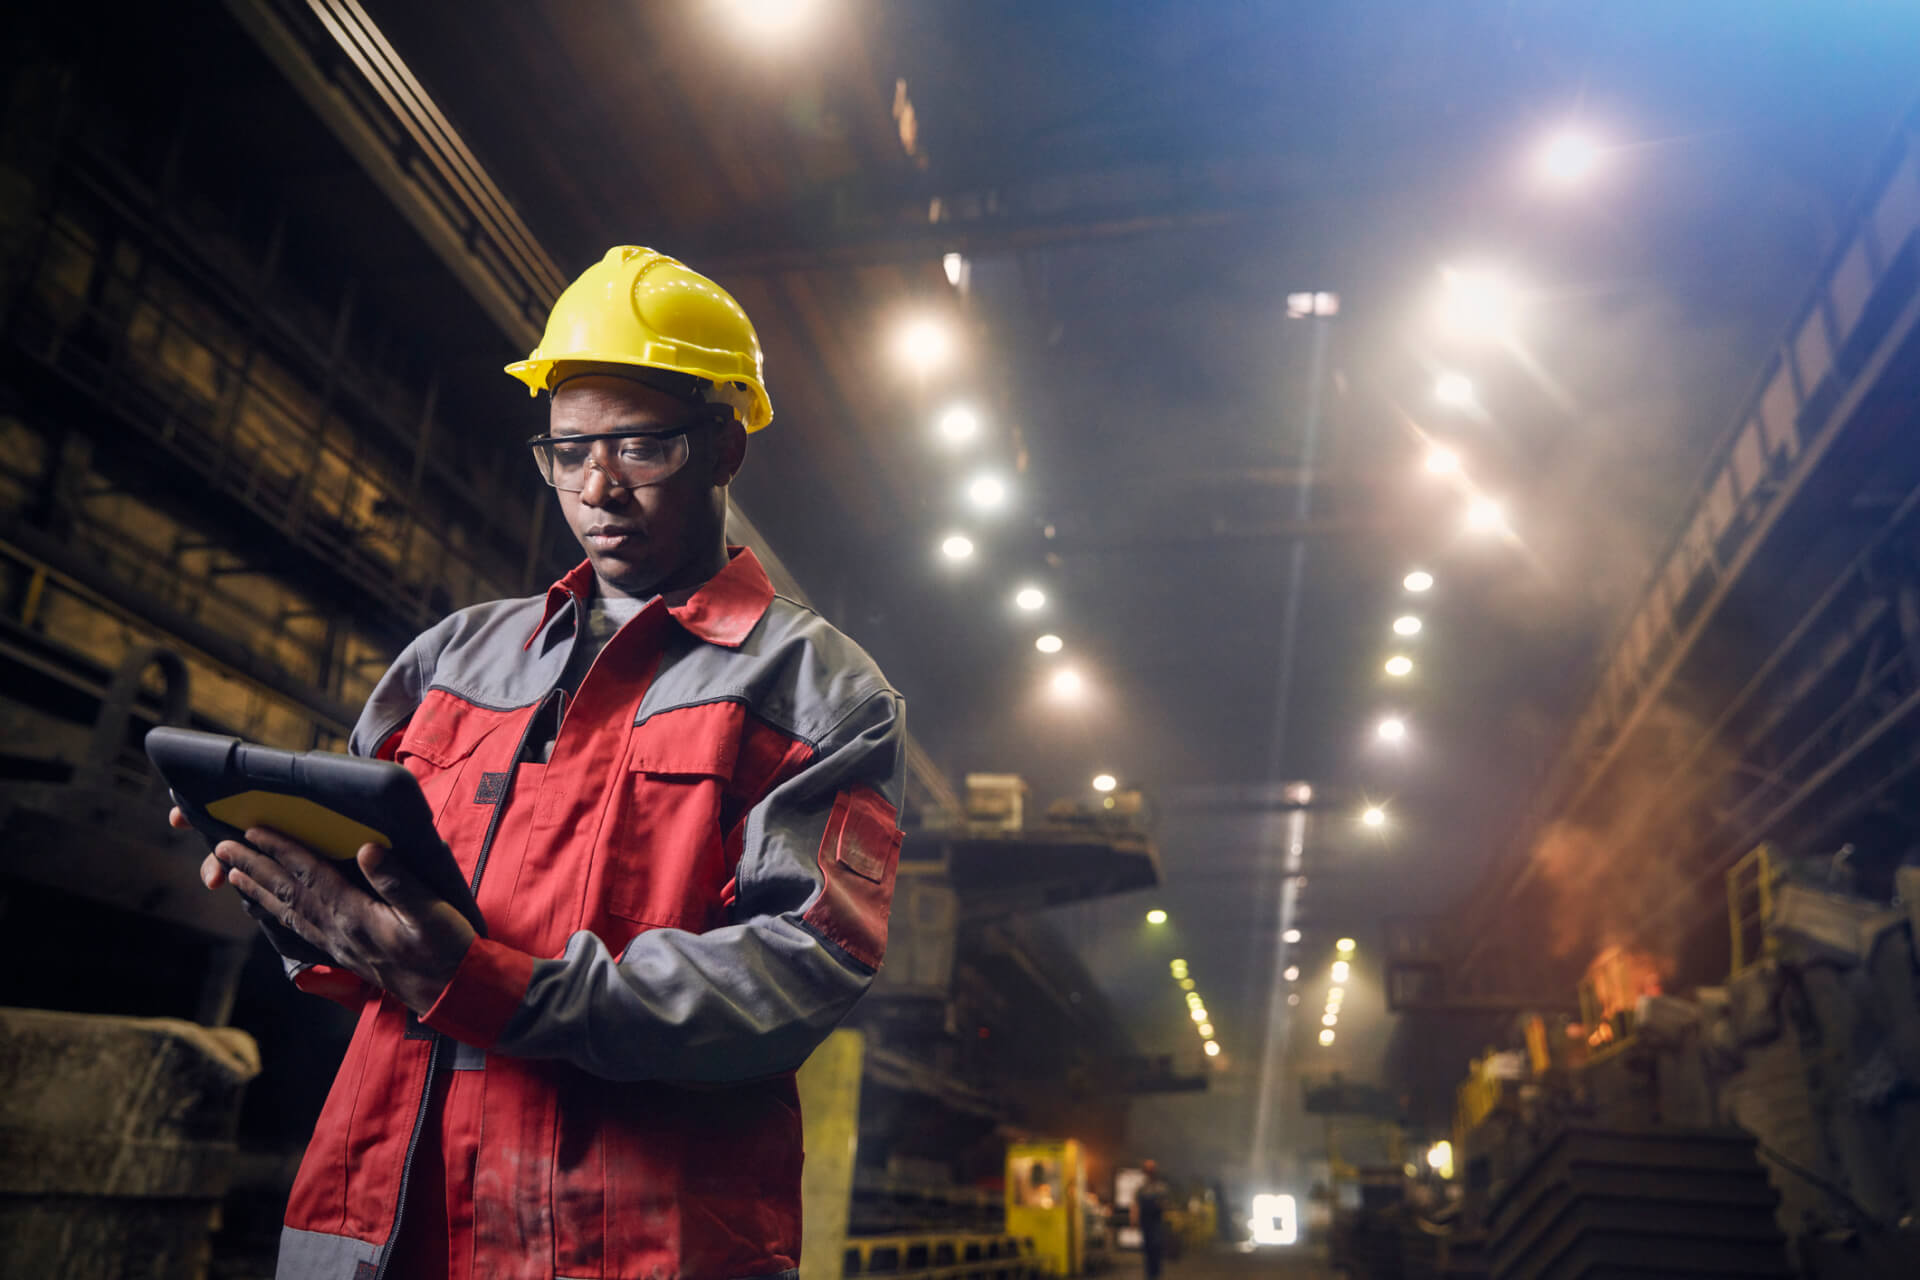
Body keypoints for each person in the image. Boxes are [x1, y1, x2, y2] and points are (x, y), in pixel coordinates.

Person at [177, 246, 907, 1280]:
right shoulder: (454, 654)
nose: (598, 486)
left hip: (631, 1244)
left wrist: (500, 989)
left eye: (640, 448)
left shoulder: (817, 689)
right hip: (383, 1224)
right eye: (569, 452)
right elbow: (363, 925)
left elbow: (797, 970)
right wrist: (293, 895)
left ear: (725, 446)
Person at [1133, 1158, 1172, 1280]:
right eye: (1147, 1170)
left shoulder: (1161, 1187)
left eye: (1151, 1170)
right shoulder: (1141, 1188)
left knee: (1157, 1246)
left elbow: (1166, 1204)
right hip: (1146, 1222)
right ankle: (1149, 1274)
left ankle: (1156, 1273)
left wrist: (1161, 1205)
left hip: (1157, 1221)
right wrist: (1134, 1218)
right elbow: (1136, 1204)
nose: (1149, 1172)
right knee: (1147, 1247)